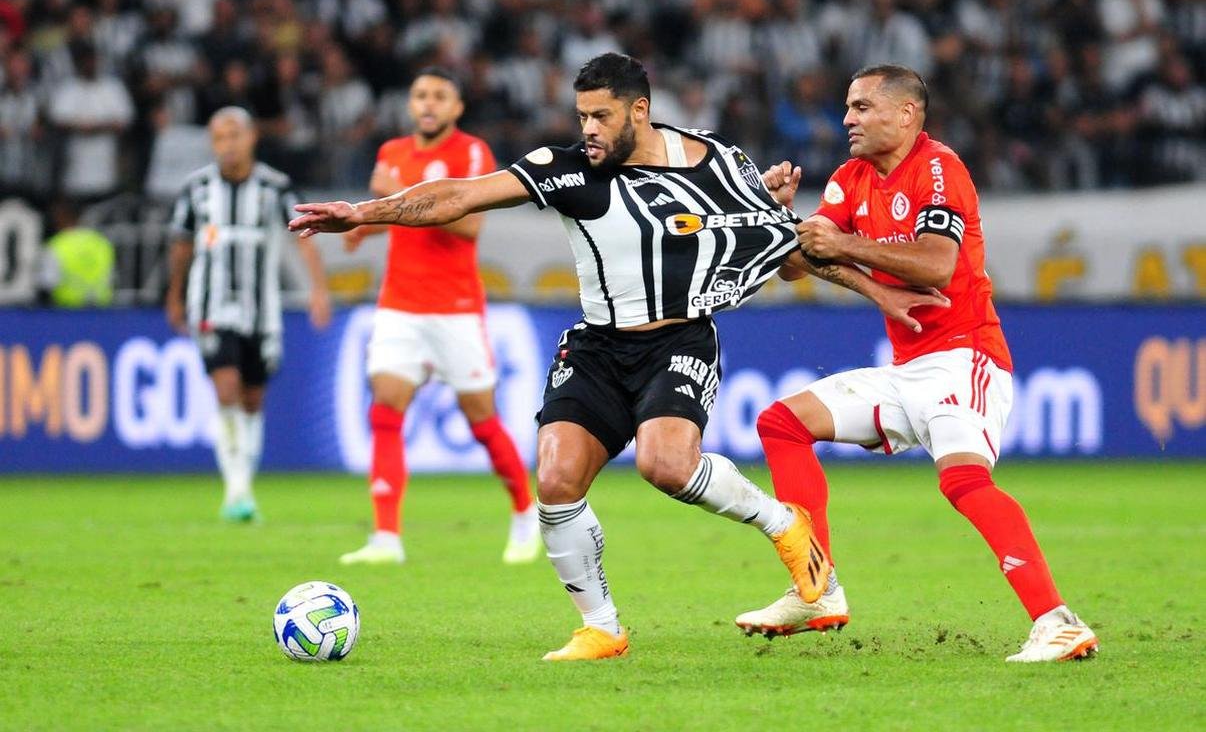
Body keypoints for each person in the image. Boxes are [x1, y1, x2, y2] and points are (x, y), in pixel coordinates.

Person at [290, 53, 943, 661]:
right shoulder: (568, 169)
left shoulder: (717, 163)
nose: (589, 130)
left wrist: (877, 293)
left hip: (679, 338)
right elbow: (459, 196)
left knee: (665, 465)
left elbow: (791, 255)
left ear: (639, 110)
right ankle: (601, 626)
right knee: (556, 480)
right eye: (581, 117)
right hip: (599, 345)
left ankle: (784, 525)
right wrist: (363, 213)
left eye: (601, 115)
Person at [737, 64, 1099, 663]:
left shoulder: (940, 168)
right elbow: (799, 263)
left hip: (966, 357)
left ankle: (1057, 621)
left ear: (905, 114)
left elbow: (936, 265)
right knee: (782, 423)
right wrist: (775, 217)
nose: (847, 119)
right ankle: (817, 588)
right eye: (847, 108)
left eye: (860, 107)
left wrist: (844, 246)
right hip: (909, 370)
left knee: (962, 482)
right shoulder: (850, 179)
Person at [338, 67, 539, 567]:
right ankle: (386, 537)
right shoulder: (392, 152)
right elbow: (399, 216)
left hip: (455, 309)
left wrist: (399, 189)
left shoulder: (471, 154)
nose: (428, 103)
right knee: (385, 410)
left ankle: (524, 512)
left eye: (439, 96)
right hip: (399, 305)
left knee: (481, 420)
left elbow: (467, 226)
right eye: (420, 95)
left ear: (456, 108)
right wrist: (368, 226)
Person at [167, 106, 331, 521]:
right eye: (220, 137)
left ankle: (243, 485)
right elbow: (182, 243)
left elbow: (306, 238)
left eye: (234, 135)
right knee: (226, 389)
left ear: (252, 137)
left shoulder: (275, 187)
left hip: (263, 311)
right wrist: (174, 294)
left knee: (254, 399)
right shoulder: (197, 188)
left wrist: (318, 291)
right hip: (211, 305)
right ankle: (236, 491)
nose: (227, 144)